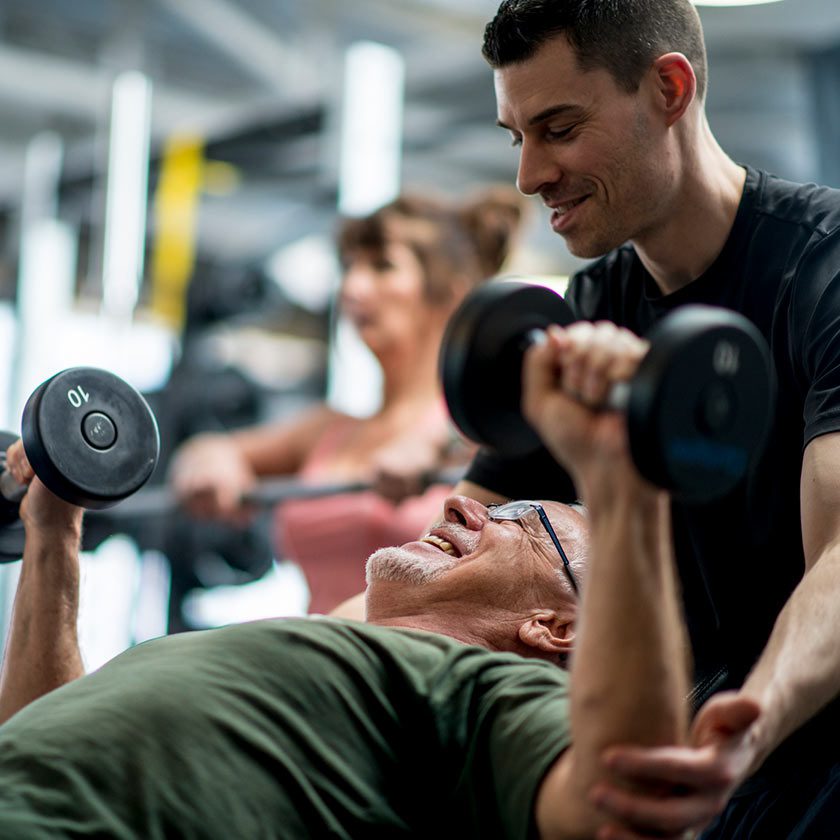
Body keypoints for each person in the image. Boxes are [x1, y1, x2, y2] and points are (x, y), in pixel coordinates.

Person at [0, 325, 710, 839]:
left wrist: (623, 483)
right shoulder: (309, 652)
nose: (462, 504)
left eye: (519, 520)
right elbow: (39, 726)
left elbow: (621, 800)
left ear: (557, 627)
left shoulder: (480, 697)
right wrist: (55, 527)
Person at [439, 1, 840, 837]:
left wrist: (752, 718)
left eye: (558, 127)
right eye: (519, 137)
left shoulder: (822, 270)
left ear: (668, 88)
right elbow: (453, 550)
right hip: (696, 749)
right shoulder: (595, 308)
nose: (529, 175)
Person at [169, 187, 526, 615]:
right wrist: (211, 461)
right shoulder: (330, 430)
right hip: (318, 662)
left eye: (382, 266)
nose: (352, 287)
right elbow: (209, 448)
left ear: (451, 292)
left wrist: (438, 445)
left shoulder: (476, 426)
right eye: (350, 267)